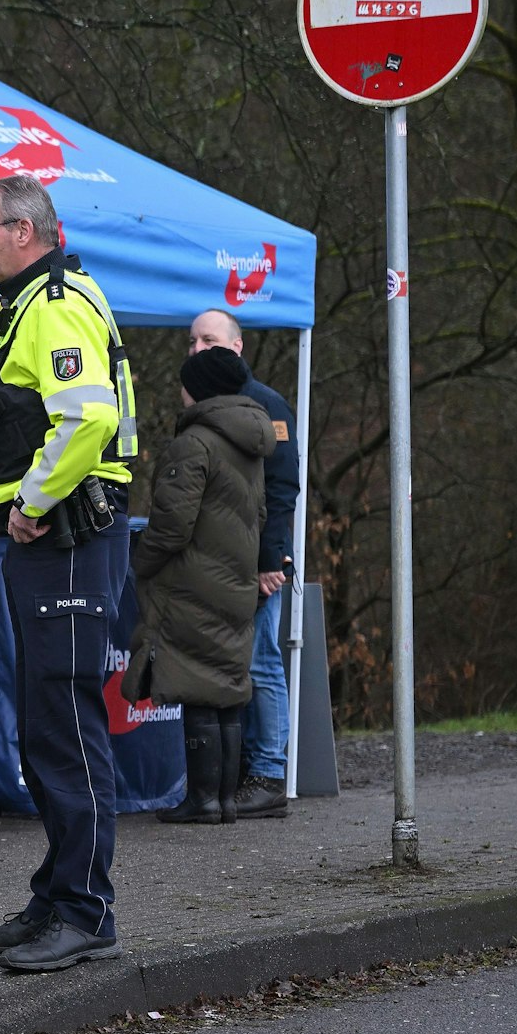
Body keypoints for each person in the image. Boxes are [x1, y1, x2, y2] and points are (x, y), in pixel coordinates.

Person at [0, 172, 138, 974]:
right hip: (45, 540)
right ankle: (61, 891)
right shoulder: (29, 307)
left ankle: (86, 908)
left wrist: (31, 499)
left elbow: (88, 414)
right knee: (45, 719)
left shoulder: (54, 305)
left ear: (24, 232)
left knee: (64, 721)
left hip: (63, 535)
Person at [122, 347, 275, 824]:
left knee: (196, 687)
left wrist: (139, 562)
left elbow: (171, 524)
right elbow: (262, 514)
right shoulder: (250, 443)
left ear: (198, 389)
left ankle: (202, 800)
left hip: (192, 581)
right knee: (227, 687)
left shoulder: (194, 443)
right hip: (235, 579)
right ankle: (224, 801)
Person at [187, 309, 300, 817]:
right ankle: (231, 781)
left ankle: (269, 774)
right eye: (192, 340)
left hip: (257, 562)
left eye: (208, 339)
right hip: (219, 562)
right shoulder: (206, 403)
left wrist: (272, 558)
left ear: (236, 346)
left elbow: (281, 489)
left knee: (260, 663)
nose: (197, 348)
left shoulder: (267, 406)